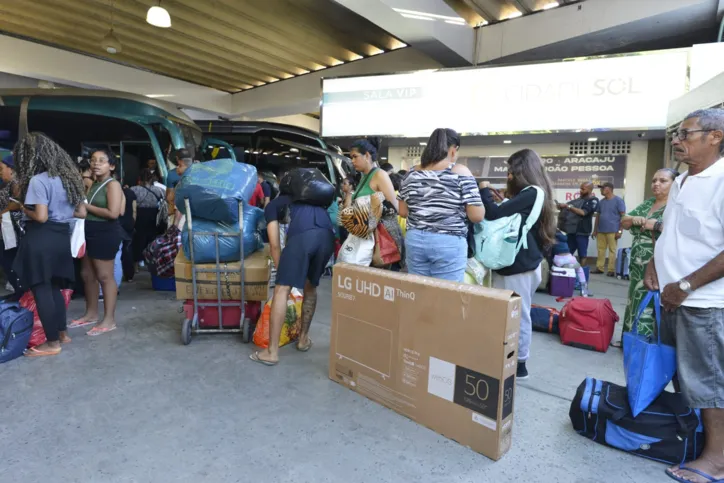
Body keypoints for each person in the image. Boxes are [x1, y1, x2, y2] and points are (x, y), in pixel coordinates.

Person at [643, 108, 724, 483]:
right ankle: (702, 444)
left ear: (715, 136)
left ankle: (717, 462)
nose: (677, 140)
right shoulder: (681, 182)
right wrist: (654, 264)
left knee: (708, 384)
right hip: (672, 297)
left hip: (703, 303)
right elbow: (672, 231)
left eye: (686, 134)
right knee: (686, 379)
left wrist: (686, 285)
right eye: (676, 133)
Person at [480, 149, 556, 380]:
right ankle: (509, 358)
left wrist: (483, 190)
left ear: (521, 171)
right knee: (513, 314)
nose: (508, 176)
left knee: (518, 315)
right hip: (521, 264)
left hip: (518, 266)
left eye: (511, 171)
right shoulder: (534, 194)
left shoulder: (532, 193)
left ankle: (519, 363)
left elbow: (492, 215)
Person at [250, 171, 336, 366]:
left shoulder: (274, 205)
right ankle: (303, 339)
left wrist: (282, 274)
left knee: (282, 289)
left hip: (303, 238)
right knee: (310, 287)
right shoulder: (316, 203)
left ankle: (271, 352)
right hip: (327, 238)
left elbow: (274, 245)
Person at [12, 133, 86, 356]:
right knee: (54, 286)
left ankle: (52, 343)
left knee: (41, 287)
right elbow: (81, 212)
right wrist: (62, 210)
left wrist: (23, 208)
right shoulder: (70, 178)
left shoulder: (38, 180)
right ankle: (62, 334)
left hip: (41, 236)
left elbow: (41, 217)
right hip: (61, 236)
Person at [397, 128, 484, 281]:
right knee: (447, 296)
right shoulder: (460, 172)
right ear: (453, 150)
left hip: (415, 240)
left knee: (418, 292)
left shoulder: (411, 173)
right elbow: (477, 216)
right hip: (448, 241)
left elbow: (403, 212)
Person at [618, 169, 677, 341]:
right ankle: (628, 339)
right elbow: (625, 220)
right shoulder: (649, 203)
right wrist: (633, 220)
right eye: (654, 180)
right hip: (637, 263)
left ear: (675, 184)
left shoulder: (675, 205)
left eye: (663, 181)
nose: (656, 184)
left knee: (651, 300)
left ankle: (645, 341)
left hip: (657, 263)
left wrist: (657, 225)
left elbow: (682, 232)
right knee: (634, 298)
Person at [69, 148, 123, 336]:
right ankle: (91, 314)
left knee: (104, 276)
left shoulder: (112, 184)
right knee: (87, 274)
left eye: (102, 160)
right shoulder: (92, 184)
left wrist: (86, 206)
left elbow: (114, 213)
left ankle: (109, 319)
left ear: (112, 165)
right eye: (93, 160)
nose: (96, 164)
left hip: (105, 233)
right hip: (88, 231)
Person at [344, 139, 403, 266]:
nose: (352, 161)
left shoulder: (379, 175)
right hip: (365, 234)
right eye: (351, 157)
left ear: (367, 155)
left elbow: (394, 207)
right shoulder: (364, 177)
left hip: (379, 236)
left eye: (355, 157)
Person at [130, 169, 166, 266]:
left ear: (139, 179)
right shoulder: (159, 190)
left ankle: (137, 262)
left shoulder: (133, 189)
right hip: (154, 216)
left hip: (139, 215)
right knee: (152, 237)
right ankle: (151, 259)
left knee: (139, 239)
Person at [557, 182, 598, 263]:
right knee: (568, 252)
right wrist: (561, 206)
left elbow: (583, 212)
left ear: (589, 190)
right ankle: (568, 271)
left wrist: (567, 206)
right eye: (580, 188)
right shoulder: (577, 200)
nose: (580, 191)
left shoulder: (593, 200)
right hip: (572, 230)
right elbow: (567, 206)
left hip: (582, 231)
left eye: (583, 189)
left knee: (582, 254)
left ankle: (582, 273)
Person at [592, 182, 626, 276]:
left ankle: (611, 270)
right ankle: (600, 268)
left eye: (603, 188)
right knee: (600, 249)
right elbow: (598, 216)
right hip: (601, 230)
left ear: (609, 189)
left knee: (612, 250)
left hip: (613, 231)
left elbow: (623, 216)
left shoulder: (618, 201)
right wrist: (595, 230)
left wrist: (620, 231)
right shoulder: (601, 202)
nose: (601, 190)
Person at [0, 154, 22, 294]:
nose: (0, 172)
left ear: (11, 169)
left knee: (9, 259)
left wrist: (3, 212)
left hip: (12, 231)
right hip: (6, 229)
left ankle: (20, 290)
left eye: (2, 168)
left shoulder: (16, 184)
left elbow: (18, 202)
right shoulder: (8, 183)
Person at [551, 231, 589, 297]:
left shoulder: (551, 238)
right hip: (569, 259)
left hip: (558, 260)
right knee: (579, 269)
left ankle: (556, 284)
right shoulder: (564, 238)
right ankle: (584, 288)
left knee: (555, 270)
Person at [165, 148, 193, 224]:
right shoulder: (199, 171)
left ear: (177, 159)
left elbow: (169, 198)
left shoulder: (172, 174)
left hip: (178, 213)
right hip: (195, 214)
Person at [119, 175, 137, 283]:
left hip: (117, 223)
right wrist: (133, 222)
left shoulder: (112, 191)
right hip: (128, 223)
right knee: (128, 249)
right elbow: (134, 210)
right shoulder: (130, 193)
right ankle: (129, 274)